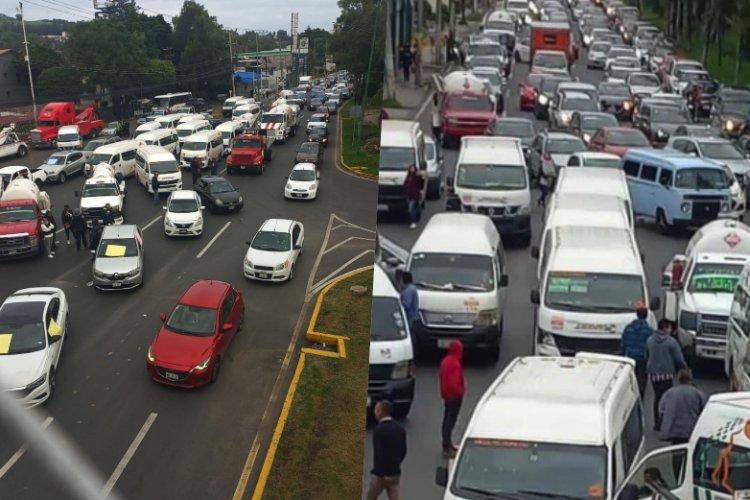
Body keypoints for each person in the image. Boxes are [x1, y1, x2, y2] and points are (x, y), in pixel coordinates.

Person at [646, 318, 687, 431]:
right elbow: (678, 358)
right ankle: (664, 421)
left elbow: (647, 355)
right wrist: (683, 368)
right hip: (667, 374)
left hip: (654, 375)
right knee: (666, 399)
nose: (670, 330)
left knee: (657, 397)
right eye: (669, 328)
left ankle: (656, 422)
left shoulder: (650, 340)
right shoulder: (671, 342)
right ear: (665, 328)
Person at [366, 400, 406, 500]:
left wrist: (379, 471)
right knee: (393, 495)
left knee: (371, 496)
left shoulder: (379, 430)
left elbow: (379, 453)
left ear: (381, 411)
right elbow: (403, 450)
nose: (374, 412)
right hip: (395, 472)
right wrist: (396, 464)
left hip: (381, 474)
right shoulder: (399, 429)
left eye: (376, 410)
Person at [659, 369, 707, 445]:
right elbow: (705, 411)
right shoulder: (697, 393)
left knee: (676, 451)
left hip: (674, 431)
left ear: (678, 379)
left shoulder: (669, 393)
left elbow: (661, 411)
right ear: (690, 379)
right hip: (691, 430)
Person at [440, 340, 465, 458]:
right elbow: (453, 382)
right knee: (450, 421)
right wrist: (461, 391)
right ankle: (447, 446)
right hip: (454, 396)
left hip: (447, 395)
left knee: (447, 419)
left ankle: (447, 444)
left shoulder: (445, 361)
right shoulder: (454, 364)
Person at [621, 303, 652, 400]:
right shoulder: (649, 330)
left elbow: (623, 343)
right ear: (646, 315)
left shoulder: (628, 328)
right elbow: (650, 346)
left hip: (630, 357)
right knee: (641, 381)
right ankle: (640, 400)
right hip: (642, 358)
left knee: (630, 381)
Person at [404, 165, 424, 230]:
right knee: (414, 208)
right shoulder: (408, 176)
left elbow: (421, 183)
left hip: (415, 195)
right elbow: (405, 184)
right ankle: (414, 219)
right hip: (409, 195)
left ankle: (414, 222)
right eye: (411, 168)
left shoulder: (417, 177)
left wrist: (421, 175)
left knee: (411, 209)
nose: (412, 170)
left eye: (413, 168)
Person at [400, 271, 419, 336]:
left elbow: (406, 304)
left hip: (410, 319)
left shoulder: (408, 290)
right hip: (413, 318)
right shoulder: (412, 288)